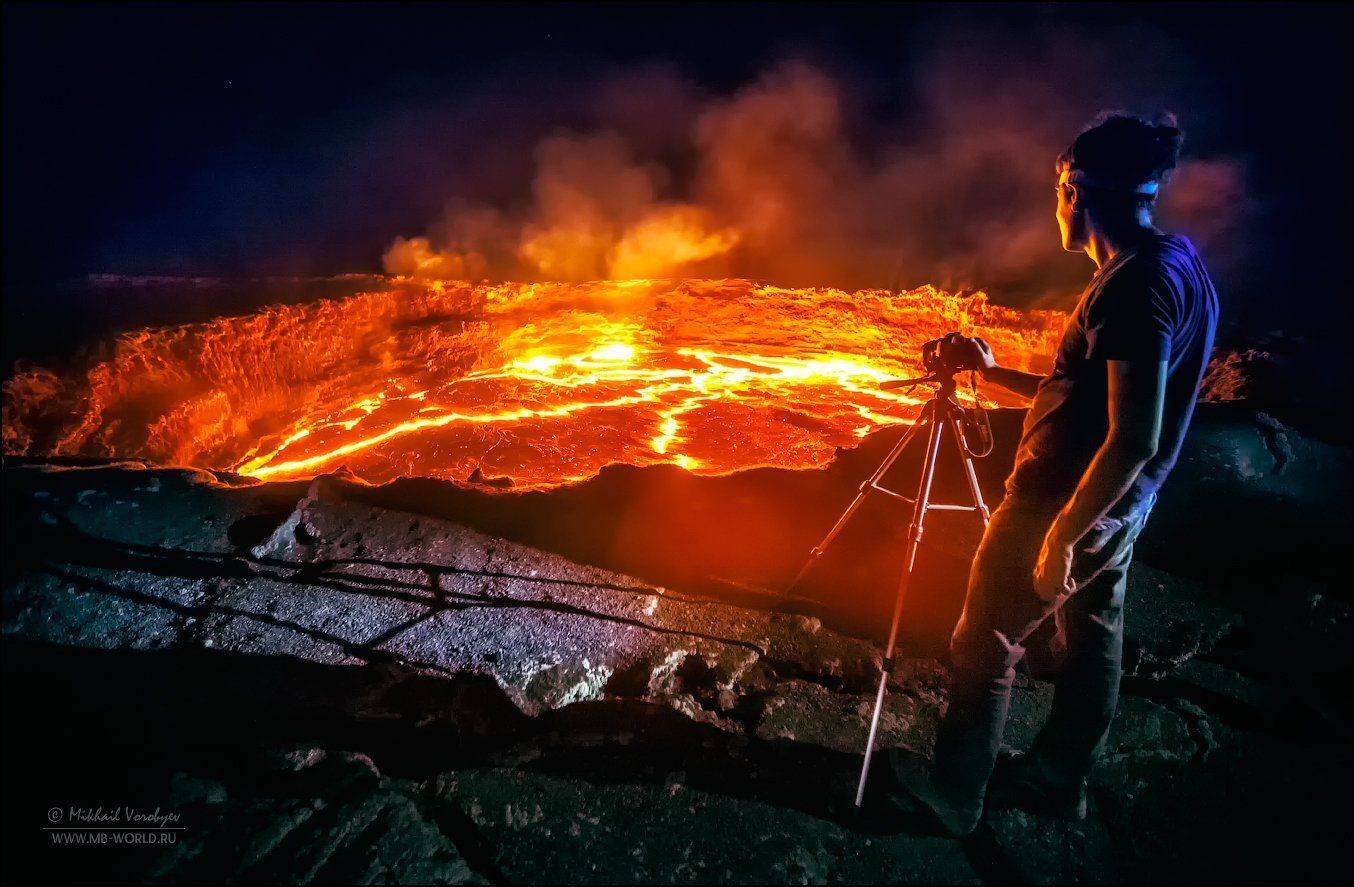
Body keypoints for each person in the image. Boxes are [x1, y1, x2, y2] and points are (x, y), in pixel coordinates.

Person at [893, 113, 1219, 836]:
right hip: (1119, 507)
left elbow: (1134, 434)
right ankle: (1057, 779)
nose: (1055, 205)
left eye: (1056, 189)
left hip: (1061, 502)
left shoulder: (1135, 289)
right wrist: (991, 371)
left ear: (1074, 190)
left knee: (985, 643)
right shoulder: (1175, 262)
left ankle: (953, 795)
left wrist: (1064, 535)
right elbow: (1084, 395)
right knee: (1094, 638)